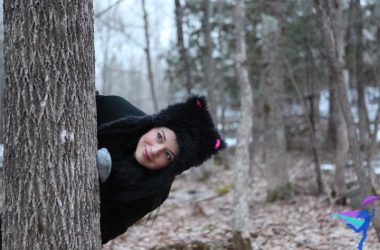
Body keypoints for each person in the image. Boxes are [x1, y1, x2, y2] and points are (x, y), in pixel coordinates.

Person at [96, 94, 225, 244]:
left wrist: (98, 181)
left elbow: (101, 232)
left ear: (171, 167)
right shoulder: (115, 108)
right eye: (159, 137)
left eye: (168, 155)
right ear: (154, 125)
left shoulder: (153, 191)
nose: (154, 151)